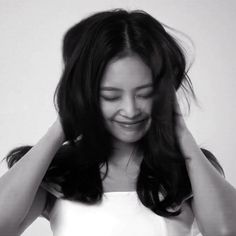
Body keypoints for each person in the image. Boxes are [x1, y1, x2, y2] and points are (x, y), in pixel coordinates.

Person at [0, 8, 236, 236]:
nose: (131, 111)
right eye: (112, 96)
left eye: (145, 93)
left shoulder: (189, 170)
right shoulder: (57, 172)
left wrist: (181, 133)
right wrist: (60, 127)